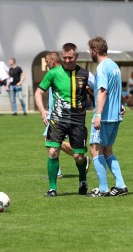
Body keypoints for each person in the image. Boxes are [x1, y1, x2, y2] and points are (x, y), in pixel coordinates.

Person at [34, 43, 90, 197]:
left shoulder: (85, 74)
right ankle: (52, 188)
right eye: (64, 57)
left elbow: (100, 89)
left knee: (79, 157)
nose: (67, 60)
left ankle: (83, 179)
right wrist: (42, 112)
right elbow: (38, 92)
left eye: (70, 57)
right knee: (52, 151)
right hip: (57, 120)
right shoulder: (53, 73)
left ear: (76, 57)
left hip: (78, 121)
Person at [88, 36, 128, 197]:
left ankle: (103, 189)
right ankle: (120, 185)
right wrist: (119, 105)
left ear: (94, 51)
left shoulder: (102, 67)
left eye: (90, 51)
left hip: (104, 117)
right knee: (108, 150)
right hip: (115, 116)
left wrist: (98, 114)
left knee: (95, 150)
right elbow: (115, 89)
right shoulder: (115, 66)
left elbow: (103, 90)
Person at [43, 51, 92, 178]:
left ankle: (82, 159)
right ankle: (58, 172)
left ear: (52, 60)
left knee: (55, 143)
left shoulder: (71, 73)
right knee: (50, 143)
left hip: (65, 115)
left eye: (47, 61)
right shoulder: (53, 74)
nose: (47, 64)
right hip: (54, 113)